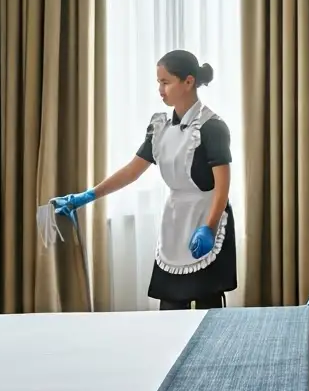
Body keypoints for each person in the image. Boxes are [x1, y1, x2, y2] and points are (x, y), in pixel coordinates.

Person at [52, 49, 236, 310]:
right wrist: (87, 196)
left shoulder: (212, 127)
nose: (160, 90)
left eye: (166, 82)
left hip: (208, 217)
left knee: (209, 310)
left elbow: (223, 186)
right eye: (158, 82)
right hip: (176, 220)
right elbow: (132, 170)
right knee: (170, 306)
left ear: (188, 81)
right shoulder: (160, 127)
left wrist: (209, 227)